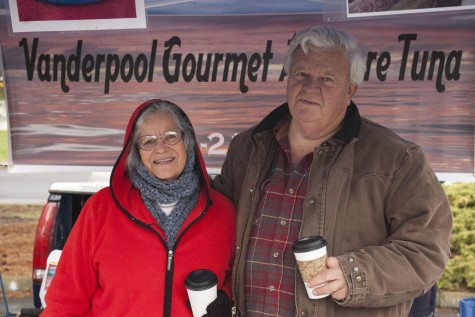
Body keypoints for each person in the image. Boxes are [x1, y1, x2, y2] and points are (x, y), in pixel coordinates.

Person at [213, 25, 452, 317]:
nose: (310, 88)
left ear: (351, 90)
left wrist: (355, 274)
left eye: (327, 79)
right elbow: (212, 228)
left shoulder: (398, 160)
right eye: (301, 74)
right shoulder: (246, 148)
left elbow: (427, 250)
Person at [41, 99, 235, 316]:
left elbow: (241, 278)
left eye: (171, 136)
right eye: (148, 142)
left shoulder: (222, 212)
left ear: (188, 142)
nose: (161, 148)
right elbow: (64, 300)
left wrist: (226, 296)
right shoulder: (101, 210)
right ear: (135, 152)